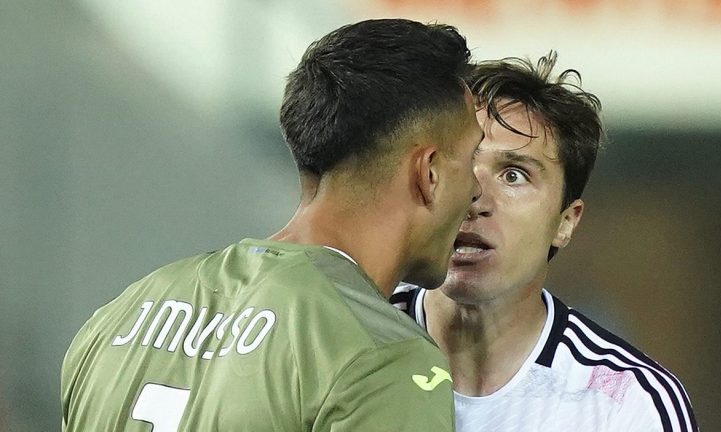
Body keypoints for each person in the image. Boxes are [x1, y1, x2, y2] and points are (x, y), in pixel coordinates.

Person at [61, 18, 484, 431]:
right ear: (428, 173)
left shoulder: (119, 316)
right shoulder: (381, 358)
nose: (477, 192)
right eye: (470, 160)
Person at [391, 52, 698, 432]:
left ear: (565, 223)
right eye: (463, 163)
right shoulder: (345, 342)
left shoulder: (627, 405)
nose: (474, 196)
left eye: (514, 175)